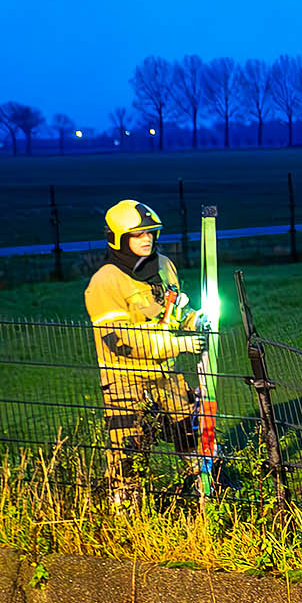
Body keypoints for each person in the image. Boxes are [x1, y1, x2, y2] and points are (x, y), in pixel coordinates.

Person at [84, 200, 206, 497]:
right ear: (118, 238)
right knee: (129, 448)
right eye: (138, 234)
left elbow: (170, 314)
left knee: (189, 431)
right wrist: (177, 345)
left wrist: (193, 321)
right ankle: (125, 507)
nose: (147, 239)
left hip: (166, 373)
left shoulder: (165, 266)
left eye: (151, 232)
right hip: (124, 379)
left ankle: (201, 486)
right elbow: (120, 341)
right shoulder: (105, 281)